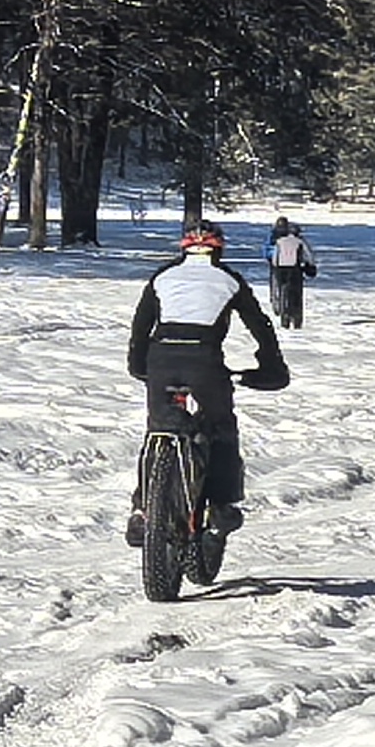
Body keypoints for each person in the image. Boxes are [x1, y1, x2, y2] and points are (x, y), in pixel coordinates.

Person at [127, 222, 287, 532]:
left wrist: (138, 365)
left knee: (157, 429)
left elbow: (140, 325)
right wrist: (271, 366)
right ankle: (221, 505)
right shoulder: (229, 280)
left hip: (161, 358)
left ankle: (142, 509)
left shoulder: (162, 277)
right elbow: (260, 326)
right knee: (220, 426)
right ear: (218, 249)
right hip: (204, 361)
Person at [267, 215, 317, 329]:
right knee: (296, 295)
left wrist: (275, 267)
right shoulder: (299, 242)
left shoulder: (279, 241)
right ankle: (297, 319)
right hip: (295, 269)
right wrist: (310, 265)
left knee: (283, 292)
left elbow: (275, 256)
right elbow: (308, 255)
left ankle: (285, 317)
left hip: (280, 269)